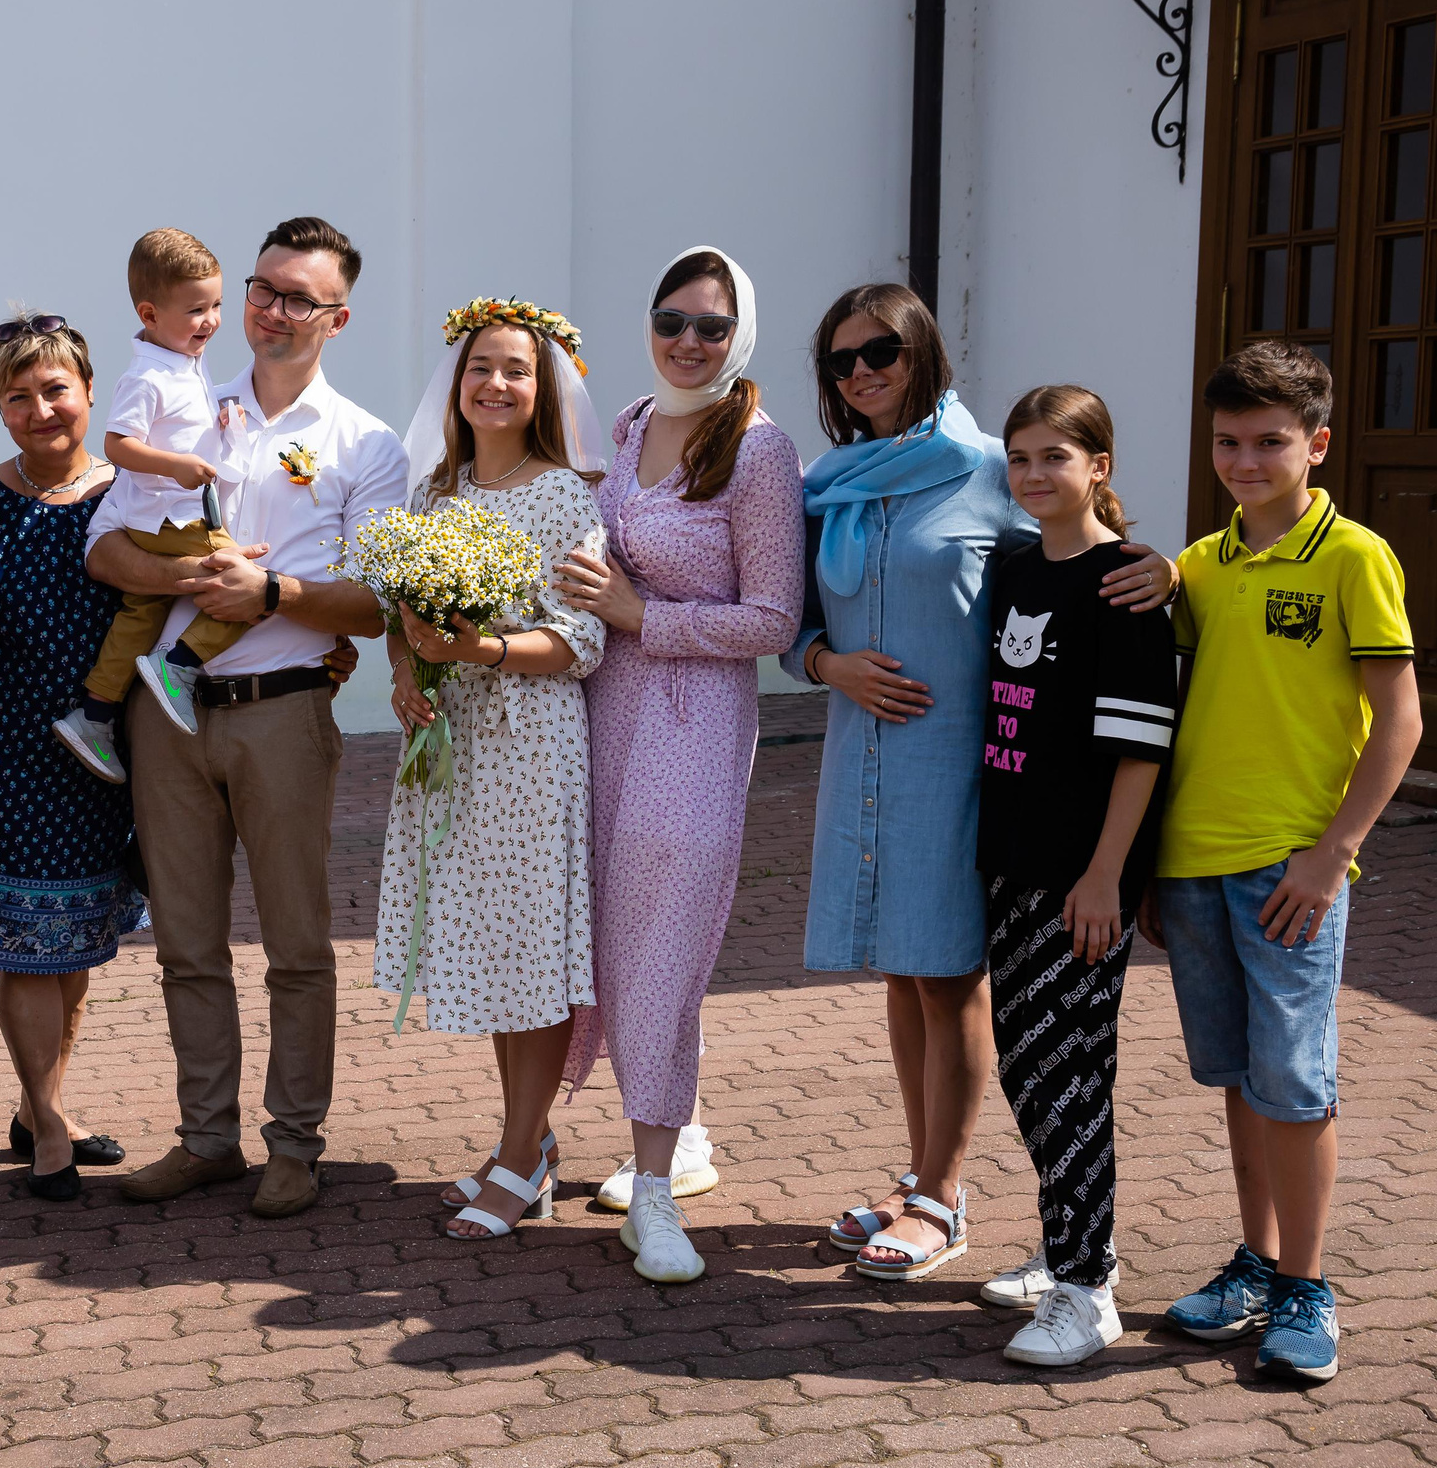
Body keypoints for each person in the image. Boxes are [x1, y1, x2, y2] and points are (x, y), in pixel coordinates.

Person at [785, 285, 1173, 1281]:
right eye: (841, 361)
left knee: (949, 972)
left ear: (922, 353)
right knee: (902, 972)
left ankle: (940, 1196)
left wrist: (1167, 574)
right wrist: (827, 666)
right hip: (860, 756)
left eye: (880, 351)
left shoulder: (981, 468)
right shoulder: (830, 482)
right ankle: (915, 1176)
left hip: (960, 762)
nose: (862, 371)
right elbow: (788, 615)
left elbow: (1079, 547)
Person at [88, 216, 409, 1219]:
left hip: (283, 709)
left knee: (297, 944)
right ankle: (204, 1138)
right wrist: (186, 574)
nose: (271, 309)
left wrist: (275, 599)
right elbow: (103, 544)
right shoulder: (185, 400)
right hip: (168, 716)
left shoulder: (366, 443)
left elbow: (378, 601)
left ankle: (293, 1142)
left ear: (337, 317)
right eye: (264, 288)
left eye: (297, 297)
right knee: (185, 942)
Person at [1149, 342, 1420, 1387]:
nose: (1245, 460)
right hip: (1192, 866)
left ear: (1315, 443)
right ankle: (1257, 1261)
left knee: (1297, 1085)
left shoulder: (1353, 555)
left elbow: (1396, 720)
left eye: (1269, 442)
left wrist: (1332, 852)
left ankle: (1308, 1287)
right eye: (1227, 442)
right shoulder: (1200, 568)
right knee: (1238, 1077)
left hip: (1290, 874)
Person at [552, 248, 804, 1280]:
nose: (688, 342)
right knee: (610, 924)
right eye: (671, 320)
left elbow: (773, 620)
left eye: (710, 325)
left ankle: (652, 1193)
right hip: (602, 709)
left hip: (695, 720)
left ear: (739, 333)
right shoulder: (623, 427)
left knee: (668, 930)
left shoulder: (759, 450)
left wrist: (637, 612)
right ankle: (675, 1130)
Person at [375, 300, 608, 1242]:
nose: (496, 384)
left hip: (530, 743)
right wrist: (406, 668)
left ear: (542, 388)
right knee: (495, 947)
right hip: (454, 747)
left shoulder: (565, 495)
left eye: (516, 369)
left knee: (533, 952)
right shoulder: (435, 493)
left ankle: (520, 1157)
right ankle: (527, 1143)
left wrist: (483, 649)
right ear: (457, 383)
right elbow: (402, 611)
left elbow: (583, 639)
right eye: (482, 367)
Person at [0, 316, 147, 1200]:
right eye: (19, 395)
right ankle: (49, 1123)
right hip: (10, 737)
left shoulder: (126, 491)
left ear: (89, 392)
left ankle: (37, 1101)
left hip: (99, 739)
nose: (41, 408)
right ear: (0, 410)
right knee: (30, 943)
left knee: (78, 936)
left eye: (56, 389)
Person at [972, 386, 1176, 1367]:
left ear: (1098, 466)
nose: (1033, 475)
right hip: (1009, 863)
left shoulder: (1126, 587)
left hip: (1078, 879)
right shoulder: (1013, 568)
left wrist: (1106, 876)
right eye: (1019, 458)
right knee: (1028, 1065)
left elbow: (1141, 751)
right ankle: (1069, 1250)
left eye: (1055, 456)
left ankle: (1085, 1290)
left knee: (1066, 1078)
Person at [54, 229, 239, 779]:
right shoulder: (147, 374)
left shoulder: (183, 359)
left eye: (217, 305)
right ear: (150, 313)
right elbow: (117, 445)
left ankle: (94, 712)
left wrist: (220, 423)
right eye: (197, 309)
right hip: (171, 518)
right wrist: (176, 465)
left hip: (155, 517)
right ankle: (179, 665)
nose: (211, 320)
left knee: (139, 614)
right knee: (245, 582)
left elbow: (180, 425)